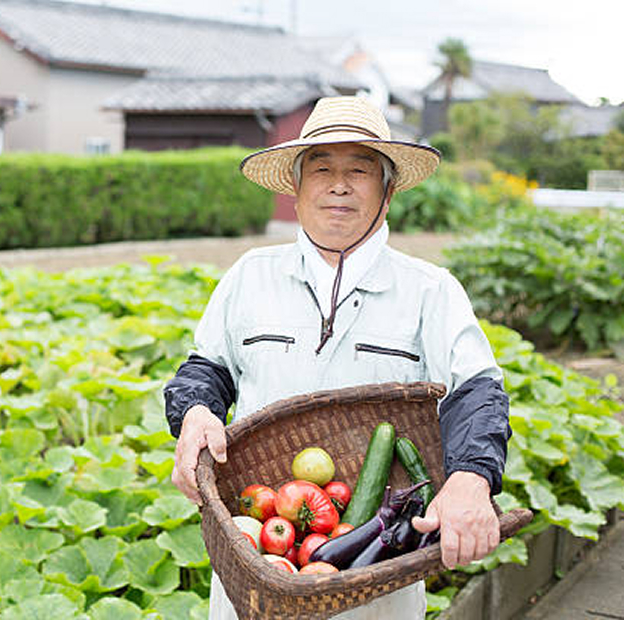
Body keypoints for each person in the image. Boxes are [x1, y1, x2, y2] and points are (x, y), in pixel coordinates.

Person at [163, 96, 511, 620]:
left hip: (375, 562)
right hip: (259, 557)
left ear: (388, 192)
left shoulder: (429, 290)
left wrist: (471, 477)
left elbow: (477, 391)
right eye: (321, 168)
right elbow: (205, 370)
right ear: (296, 191)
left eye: (359, 169)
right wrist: (194, 414)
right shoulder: (249, 276)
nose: (339, 184)